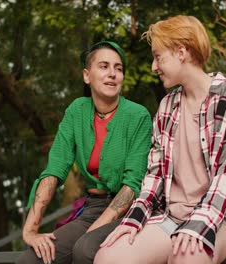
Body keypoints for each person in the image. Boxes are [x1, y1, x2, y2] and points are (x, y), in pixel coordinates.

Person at [95, 15, 226, 264]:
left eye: (158, 57)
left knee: (185, 257)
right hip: (171, 217)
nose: (153, 67)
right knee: (108, 257)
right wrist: (134, 219)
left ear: (181, 52)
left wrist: (197, 225)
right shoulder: (167, 105)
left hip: (219, 217)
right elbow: (154, 175)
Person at [16, 41, 152, 264]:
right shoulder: (76, 111)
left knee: (85, 249)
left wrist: (94, 231)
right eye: (104, 66)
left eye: (118, 69)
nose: (112, 74)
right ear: (87, 75)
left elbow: (132, 185)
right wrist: (30, 230)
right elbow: (54, 170)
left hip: (129, 211)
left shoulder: (138, 116)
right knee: (31, 260)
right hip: (93, 208)